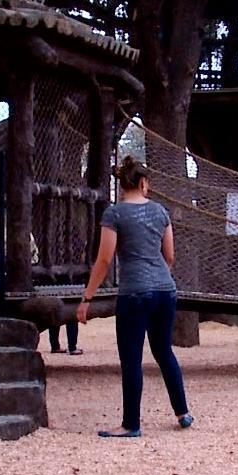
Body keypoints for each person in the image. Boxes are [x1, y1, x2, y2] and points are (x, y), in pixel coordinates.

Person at [76, 156, 193, 438]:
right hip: (166, 291)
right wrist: (158, 278)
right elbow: (170, 256)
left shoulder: (114, 215)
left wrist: (87, 298)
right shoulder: (161, 212)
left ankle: (131, 424)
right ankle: (182, 412)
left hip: (134, 293)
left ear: (123, 185)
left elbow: (104, 260)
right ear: (143, 184)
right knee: (164, 351)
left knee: (131, 357)